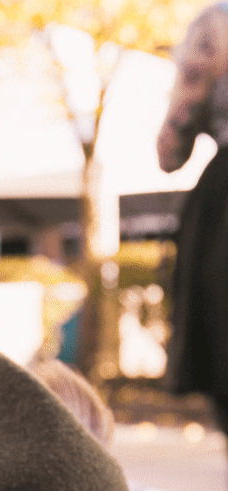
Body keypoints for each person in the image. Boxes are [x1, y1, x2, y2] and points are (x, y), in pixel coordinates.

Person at [157, 4, 228, 443]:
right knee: (219, 335)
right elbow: (168, 159)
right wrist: (187, 94)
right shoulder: (200, 82)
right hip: (216, 215)